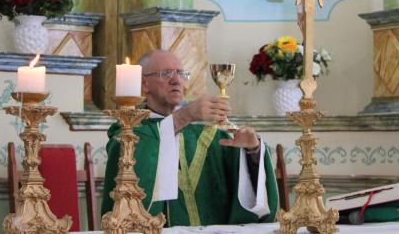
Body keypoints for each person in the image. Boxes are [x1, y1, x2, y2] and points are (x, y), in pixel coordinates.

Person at [102, 50, 278, 226]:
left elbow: (245, 184)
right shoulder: (128, 129)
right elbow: (129, 159)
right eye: (166, 73)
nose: (176, 80)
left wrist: (252, 152)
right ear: (144, 84)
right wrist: (184, 116)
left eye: (181, 73)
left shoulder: (207, 134)